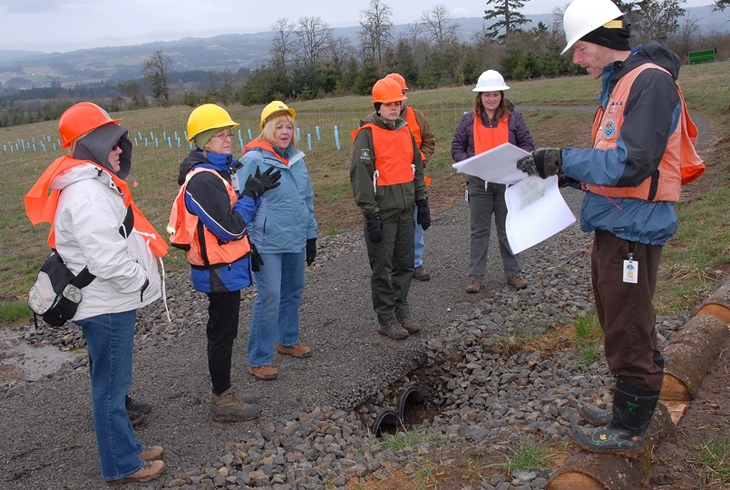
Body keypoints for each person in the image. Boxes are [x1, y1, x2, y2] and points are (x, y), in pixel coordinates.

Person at [517, 0, 704, 456]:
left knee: (630, 323)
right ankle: (627, 407)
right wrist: (566, 173)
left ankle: (630, 429)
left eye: (579, 50)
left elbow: (633, 163)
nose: (577, 59)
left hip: (634, 230)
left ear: (602, 41)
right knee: (615, 317)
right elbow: (610, 158)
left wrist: (564, 158)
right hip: (615, 223)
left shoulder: (649, 83)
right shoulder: (620, 83)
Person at [25, 102, 168, 484]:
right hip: (106, 304)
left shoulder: (91, 185)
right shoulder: (87, 193)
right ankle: (122, 464)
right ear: (91, 145)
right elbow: (107, 260)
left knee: (113, 384)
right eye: (112, 142)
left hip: (109, 300)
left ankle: (128, 447)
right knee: (111, 388)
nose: (121, 148)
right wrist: (141, 282)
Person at [170, 104, 277, 419]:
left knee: (225, 330)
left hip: (226, 265)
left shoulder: (218, 173)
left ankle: (225, 388)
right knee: (221, 331)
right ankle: (221, 399)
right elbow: (231, 227)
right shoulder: (204, 180)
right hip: (218, 271)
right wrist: (252, 195)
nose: (228, 139)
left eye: (229, 133)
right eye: (220, 135)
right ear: (203, 141)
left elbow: (231, 226)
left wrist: (248, 249)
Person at [237, 101, 318, 381]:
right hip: (266, 242)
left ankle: (287, 340)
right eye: (279, 126)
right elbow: (243, 201)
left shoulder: (296, 159)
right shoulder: (252, 160)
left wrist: (311, 235)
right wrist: (248, 242)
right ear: (267, 129)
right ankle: (259, 359)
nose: (285, 132)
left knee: (293, 291)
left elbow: (306, 199)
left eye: (289, 127)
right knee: (269, 296)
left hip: (294, 237)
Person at [351, 77, 430, 340]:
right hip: (382, 213)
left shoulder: (405, 129)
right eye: (388, 104)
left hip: (407, 209)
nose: (394, 108)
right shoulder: (367, 134)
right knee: (382, 268)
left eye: (397, 103)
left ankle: (402, 311)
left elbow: (416, 167)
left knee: (405, 264)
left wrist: (422, 200)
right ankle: (386, 318)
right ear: (377, 105)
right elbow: (361, 176)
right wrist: (370, 212)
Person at [451, 70, 534, 294]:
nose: (491, 99)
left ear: (501, 96)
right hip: (479, 184)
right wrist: (470, 164)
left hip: (507, 184)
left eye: (495, 95)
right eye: (486, 95)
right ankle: (475, 278)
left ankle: (514, 274)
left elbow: (528, 145)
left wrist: (515, 161)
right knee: (479, 231)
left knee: (507, 229)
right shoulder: (468, 120)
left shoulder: (515, 118)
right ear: (479, 97)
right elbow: (457, 149)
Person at [385, 73, 436, 282]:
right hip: (388, 185)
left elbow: (429, 141)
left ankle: (415, 264)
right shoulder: (378, 120)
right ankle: (390, 267)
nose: (396, 102)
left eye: (401, 95)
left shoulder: (417, 117)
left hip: (414, 182)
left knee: (415, 224)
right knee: (389, 227)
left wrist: (420, 161)